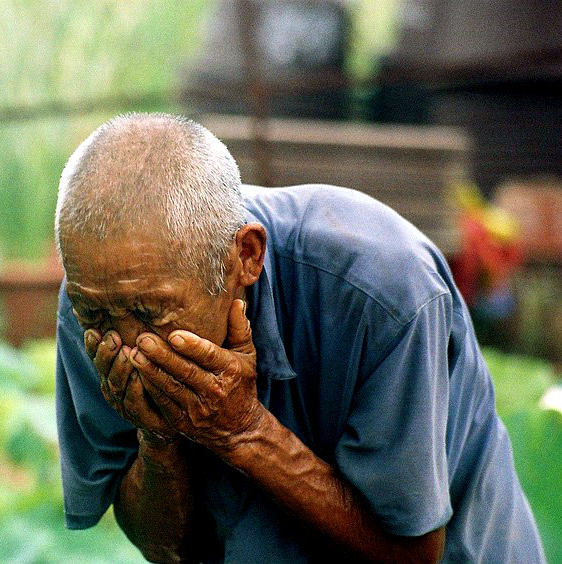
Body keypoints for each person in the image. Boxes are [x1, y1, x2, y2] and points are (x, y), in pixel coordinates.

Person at [53, 113, 545, 563]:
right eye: (97, 312)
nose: (129, 345)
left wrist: (243, 431)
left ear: (245, 257)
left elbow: (412, 554)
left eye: (150, 311)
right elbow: (165, 549)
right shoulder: (95, 299)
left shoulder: (384, 291)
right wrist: (158, 439)